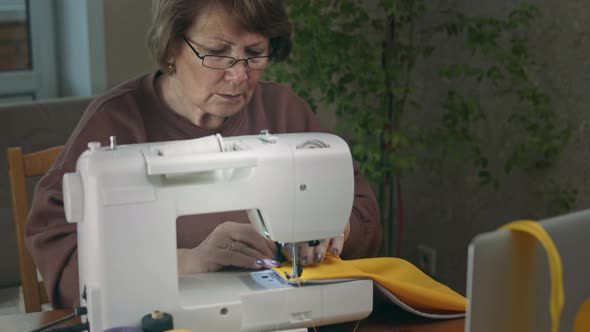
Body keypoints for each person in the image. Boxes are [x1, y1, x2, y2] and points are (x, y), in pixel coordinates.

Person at [26, 0, 382, 309]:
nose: (239, 75)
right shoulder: (116, 121)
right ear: (170, 49)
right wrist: (188, 262)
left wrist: (337, 230)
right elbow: (55, 243)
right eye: (217, 53)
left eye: (254, 54)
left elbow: (361, 207)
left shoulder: (283, 111)